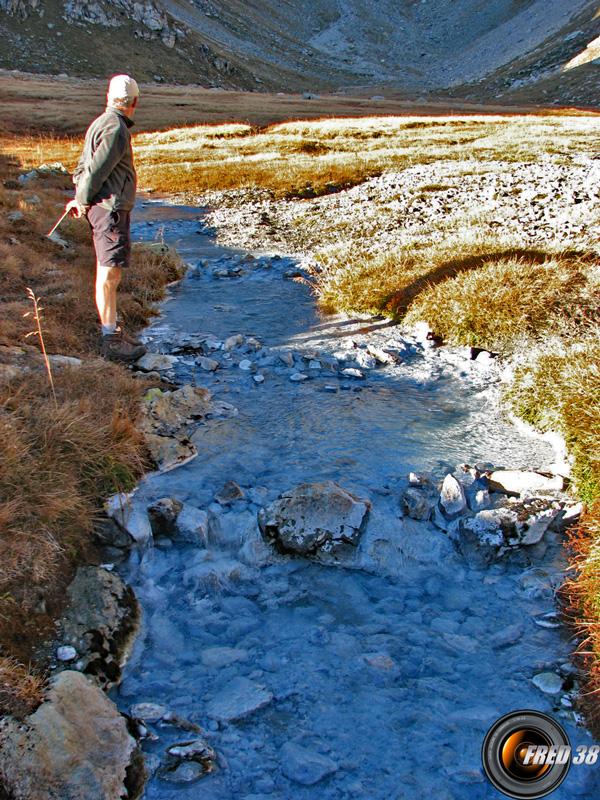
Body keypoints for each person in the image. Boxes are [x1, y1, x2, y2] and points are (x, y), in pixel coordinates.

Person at [67, 74, 147, 363]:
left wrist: (81, 198)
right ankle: (110, 339)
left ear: (109, 96)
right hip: (110, 210)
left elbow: (82, 168)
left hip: (105, 209)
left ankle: (112, 329)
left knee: (109, 272)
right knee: (109, 274)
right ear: (134, 102)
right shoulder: (116, 129)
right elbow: (97, 170)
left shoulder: (100, 123)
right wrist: (82, 199)